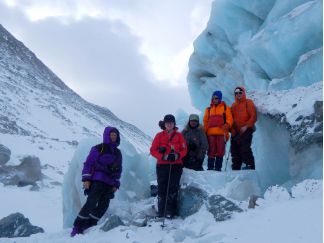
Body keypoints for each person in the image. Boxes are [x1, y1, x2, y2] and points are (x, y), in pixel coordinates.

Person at [71, 126, 122, 237]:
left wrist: (116, 183)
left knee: (104, 205)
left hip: (109, 182)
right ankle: (78, 226)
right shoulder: (99, 148)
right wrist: (86, 179)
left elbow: (119, 169)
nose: (113, 137)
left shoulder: (118, 153)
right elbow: (89, 164)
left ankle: (90, 223)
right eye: (111, 135)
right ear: (107, 136)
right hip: (98, 180)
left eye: (115, 135)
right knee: (91, 202)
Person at [150, 114, 187, 218]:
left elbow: (184, 149)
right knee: (162, 188)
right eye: (167, 123)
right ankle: (162, 211)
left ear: (174, 124)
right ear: (164, 124)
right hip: (162, 165)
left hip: (176, 165)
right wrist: (163, 156)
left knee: (173, 188)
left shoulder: (179, 136)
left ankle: (170, 211)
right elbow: (152, 150)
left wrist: (177, 155)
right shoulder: (159, 135)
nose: (169, 124)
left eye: (171, 123)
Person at [203, 90, 233, 171]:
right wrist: (204, 132)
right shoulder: (208, 109)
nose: (215, 99)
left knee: (220, 151)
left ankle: (218, 168)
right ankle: (210, 168)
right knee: (211, 151)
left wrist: (227, 124)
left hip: (221, 133)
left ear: (220, 98)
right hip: (210, 134)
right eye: (213, 98)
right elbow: (205, 121)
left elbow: (229, 118)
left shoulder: (225, 108)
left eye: (216, 98)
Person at [230, 86, 257, 170]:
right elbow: (231, 119)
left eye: (240, 92)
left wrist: (246, 126)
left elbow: (253, 116)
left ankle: (249, 165)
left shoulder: (248, 102)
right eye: (236, 93)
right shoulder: (233, 106)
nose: (238, 94)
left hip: (247, 129)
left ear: (243, 93)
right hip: (237, 131)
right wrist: (232, 130)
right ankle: (236, 167)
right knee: (235, 150)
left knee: (245, 147)